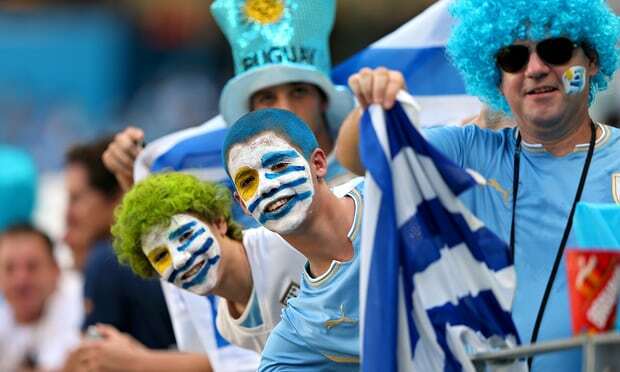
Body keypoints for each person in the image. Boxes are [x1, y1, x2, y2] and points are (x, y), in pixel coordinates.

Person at [336, 0, 620, 370]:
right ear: (498, 81)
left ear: (592, 61)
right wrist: (372, 103)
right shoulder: (469, 150)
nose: (535, 69)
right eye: (513, 58)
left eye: (556, 50)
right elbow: (359, 158)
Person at [222, 108, 364, 371]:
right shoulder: (297, 340)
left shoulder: (392, 192)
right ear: (243, 205)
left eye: (278, 165)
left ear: (318, 164)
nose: (266, 186)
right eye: (248, 181)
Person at [64, 137, 176, 349]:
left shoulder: (105, 261)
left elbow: (91, 360)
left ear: (117, 197)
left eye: (76, 199)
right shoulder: (173, 251)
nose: (68, 215)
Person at [0, 224, 82, 372]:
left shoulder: (79, 302)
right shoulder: (4, 314)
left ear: (56, 270)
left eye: (32, 267)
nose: (21, 280)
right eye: (9, 268)